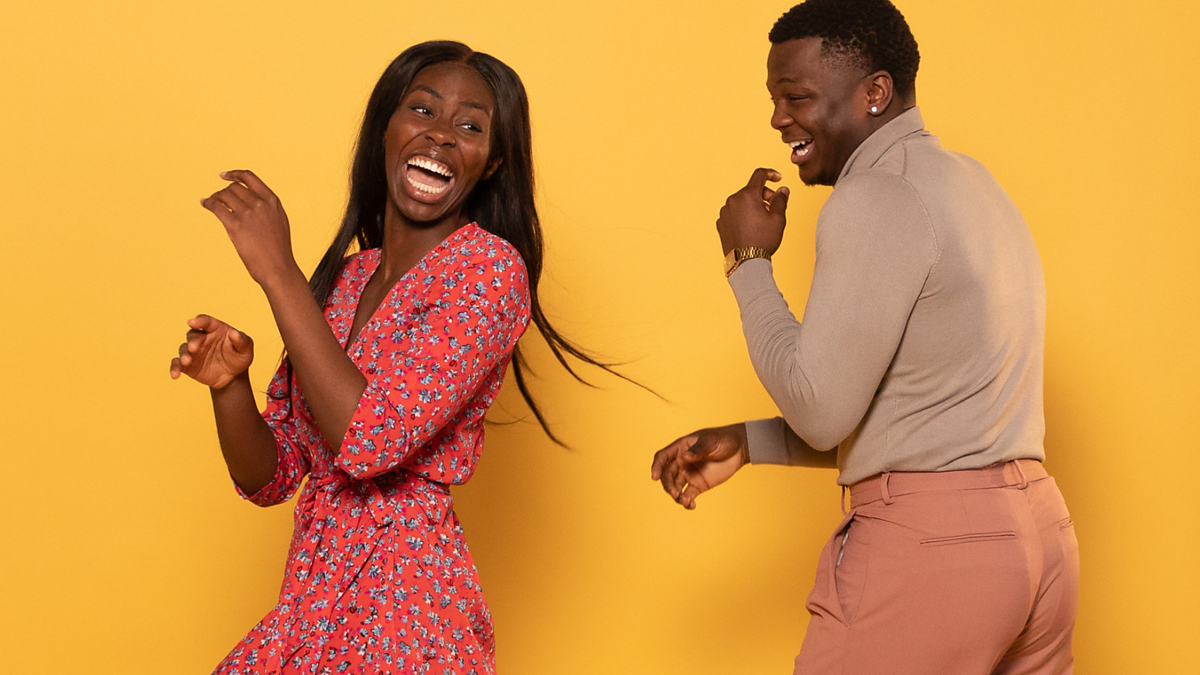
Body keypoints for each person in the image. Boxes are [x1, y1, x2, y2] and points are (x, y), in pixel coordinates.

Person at [649, 1, 1079, 673]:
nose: (777, 118)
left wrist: (747, 262)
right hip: (1040, 543)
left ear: (875, 92)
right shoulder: (974, 184)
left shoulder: (877, 195)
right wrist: (753, 441)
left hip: (932, 557)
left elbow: (823, 412)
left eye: (796, 97)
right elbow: (929, 413)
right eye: (774, 99)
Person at [170, 40, 609, 674]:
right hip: (312, 599)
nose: (441, 134)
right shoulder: (346, 281)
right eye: (422, 110)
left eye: (470, 126)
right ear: (386, 128)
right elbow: (276, 474)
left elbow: (368, 442)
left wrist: (278, 271)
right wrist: (228, 386)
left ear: (491, 163)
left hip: (404, 610)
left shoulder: (487, 271)